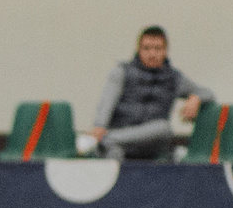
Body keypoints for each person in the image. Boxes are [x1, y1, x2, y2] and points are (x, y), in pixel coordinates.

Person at [87, 26, 212, 162]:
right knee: (112, 152)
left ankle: (106, 139)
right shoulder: (122, 72)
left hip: (154, 141)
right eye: (146, 48)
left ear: (165, 51)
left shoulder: (174, 78)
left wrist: (196, 98)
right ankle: (107, 141)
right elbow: (106, 103)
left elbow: (208, 93)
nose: (152, 54)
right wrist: (99, 126)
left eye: (157, 49)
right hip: (123, 139)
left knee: (164, 128)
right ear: (138, 50)